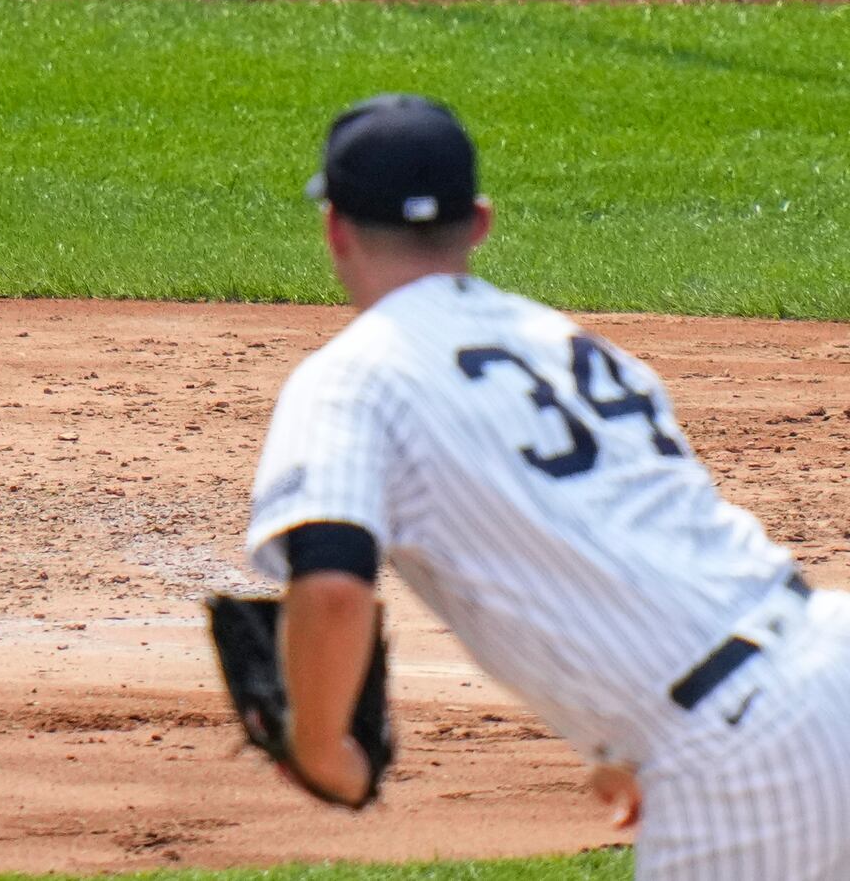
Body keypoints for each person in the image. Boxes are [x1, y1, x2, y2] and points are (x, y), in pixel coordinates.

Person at [243, 93, 850, 874]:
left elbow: (330, 585)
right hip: (827, 652)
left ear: (334, 228)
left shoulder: (350, 378)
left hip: (739, 751)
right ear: (481, 222)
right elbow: (645, 536)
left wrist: (321, 746)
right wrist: (626, 742)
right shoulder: (569, 344)